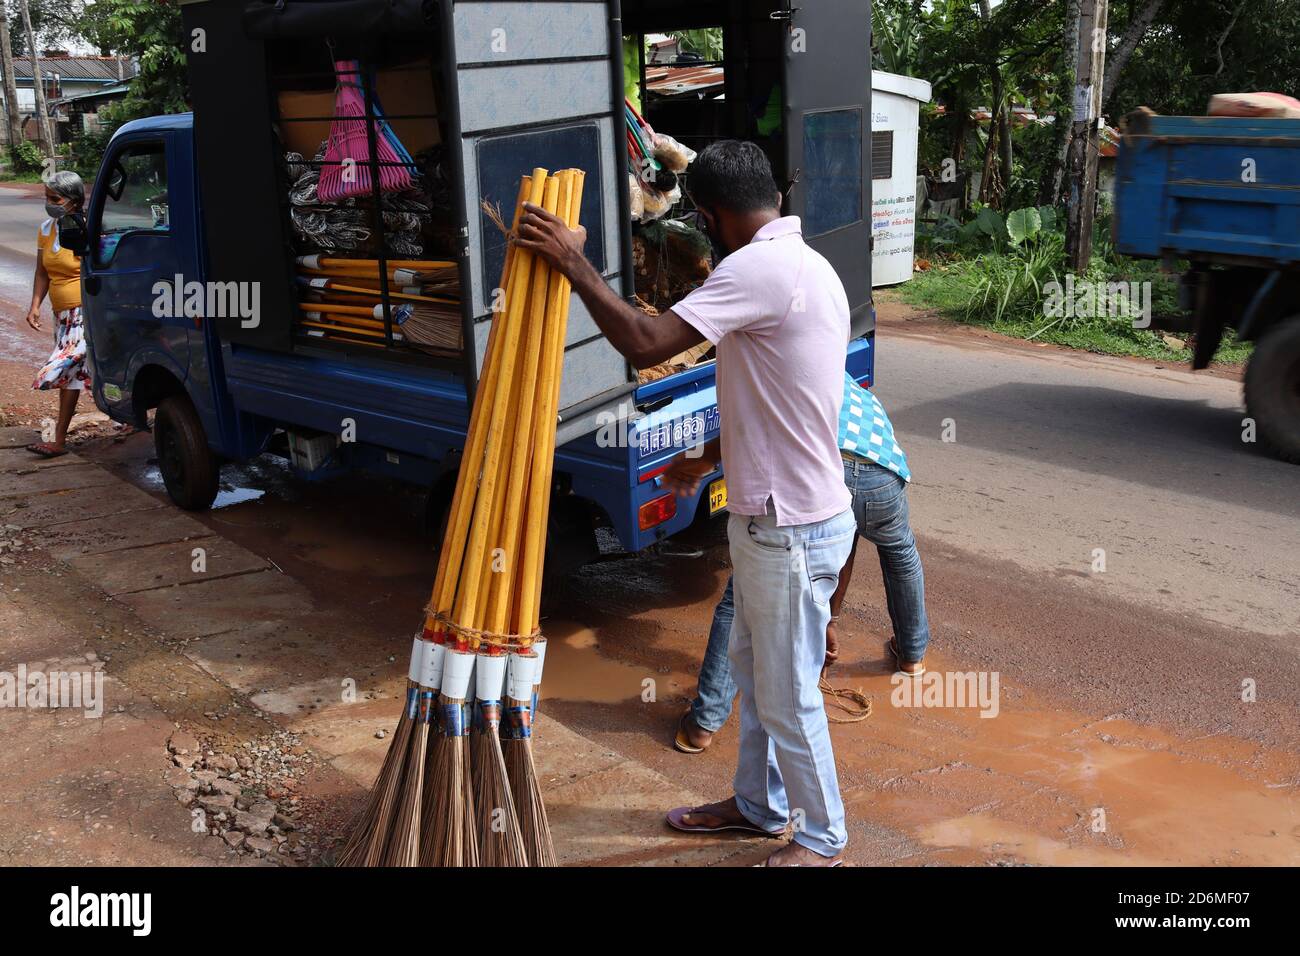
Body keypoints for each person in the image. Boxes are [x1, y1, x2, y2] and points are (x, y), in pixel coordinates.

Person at [519, 140, 856, 866]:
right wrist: (704, 459)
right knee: (758, 671)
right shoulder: (809, 264)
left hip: (788, 527)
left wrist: (575, 261)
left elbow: (645, 342)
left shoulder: (757, 268)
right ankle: (759, 806)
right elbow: (779, 397)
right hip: (800, 515)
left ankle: (823, 842)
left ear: (709, 214)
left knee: (789, 691)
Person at [676, 372, 931, 755]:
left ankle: (704, 723)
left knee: (741, 592)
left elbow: (745, 437)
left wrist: (695, 463)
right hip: (882, 478)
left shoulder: (776, 382)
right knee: (900, 554)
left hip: (825, 474)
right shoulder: (841, 379)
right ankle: (911, 655)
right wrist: (829, 619)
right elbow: (845, 543)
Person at [26, 171, 89, 458]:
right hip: (61, 316)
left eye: (55, 198)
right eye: (47, 197)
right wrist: (35, 305)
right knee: (77, 374)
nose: (49, 203)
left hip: (84, 313)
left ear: (74, 201)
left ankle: (59, 441)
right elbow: (42, 272)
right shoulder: (46, 229)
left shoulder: (86, 228)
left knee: (66, 369)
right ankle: (61, 440)